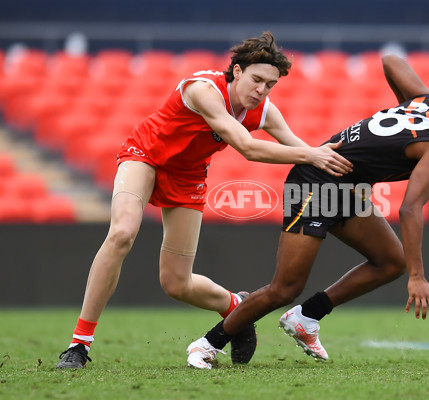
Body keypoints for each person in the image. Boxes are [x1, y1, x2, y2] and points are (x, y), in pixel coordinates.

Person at [184, 52, 429, 369]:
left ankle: (306, 317)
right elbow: (411, 208)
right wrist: (417, 277)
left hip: (344, 186)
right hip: (316, 182)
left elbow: (391, 60)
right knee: (284, 288)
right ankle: (208, 344)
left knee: (391, 260)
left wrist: (405, 106)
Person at [55, 32, 353, 369]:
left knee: (177, 284)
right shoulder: (203, 90)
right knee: (122, 233)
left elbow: (302, 151)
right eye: (256, 79)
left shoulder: (264, 112)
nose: (261, 90)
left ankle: (236, 307)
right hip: (145, 156)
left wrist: (334, 167)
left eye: (270, 84)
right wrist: (314, 155)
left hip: (188, 176)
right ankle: (79, 345)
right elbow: (248, 147)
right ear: (237, 71)